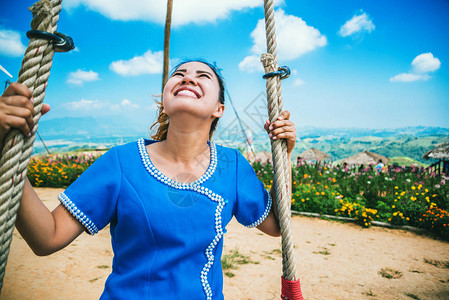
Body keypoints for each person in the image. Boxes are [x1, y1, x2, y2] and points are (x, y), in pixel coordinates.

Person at [0, 60, 297, 299]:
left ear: (219, 109)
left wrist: (284, 154)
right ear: (164, 104)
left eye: (202, 75)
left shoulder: (232, 166)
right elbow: (46, 237)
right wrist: (4, 151)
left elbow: (276, 225)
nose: (188, 78)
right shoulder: (121, 162)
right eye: (178, 74)